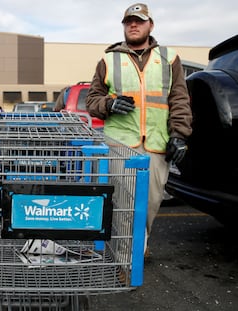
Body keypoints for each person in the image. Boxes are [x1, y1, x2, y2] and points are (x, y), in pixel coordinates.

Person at [85, 3, 192, 256]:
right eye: (128, 21)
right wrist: (109, 104)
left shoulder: (169, 58)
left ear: (150, 25)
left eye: (139, 21)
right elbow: (92, 102)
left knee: (151, 203)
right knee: (124, 203)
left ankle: (137, 247)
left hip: (157, 144)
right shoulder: (108, 59)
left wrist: (179, 135)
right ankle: (127, 258)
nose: (133, 25)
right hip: (121, 145)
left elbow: (180, 99)